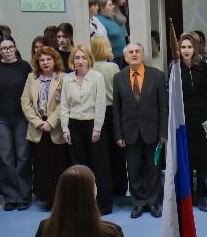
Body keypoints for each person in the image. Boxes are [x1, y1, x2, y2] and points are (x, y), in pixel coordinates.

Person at [114, 44, 168, 219]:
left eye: (138, 51)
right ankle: (138, 203)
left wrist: (163, 133)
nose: (134, 54)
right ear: (126, 57)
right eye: (131, 52)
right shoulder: (118, 77)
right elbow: (117, 109)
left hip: (153, 132)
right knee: (134, 169)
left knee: (153, 168)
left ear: (143, 55)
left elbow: (163, 107)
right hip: (129, 133)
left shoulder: (157, 76)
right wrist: (119, 134)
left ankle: (153, 203)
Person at [61, 44, 113, 215]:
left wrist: (97, 128)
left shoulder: (97, 77)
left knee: (100, 165)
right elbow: (64, 105)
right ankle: (81, 204)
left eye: (83, 57)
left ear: (89, 60)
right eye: (77, 57)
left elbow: (100, 104)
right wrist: (65, 128)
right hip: (74, 125)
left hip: (94, 125)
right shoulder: (67, 79)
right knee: (78, 167)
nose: (80, 61)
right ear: (72, 61)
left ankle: (103, 204)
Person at [0, 36, 33, 211]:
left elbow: (30, 92)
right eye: (4, 48)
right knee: (5, 157)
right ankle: (10, 196)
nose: (7, 51)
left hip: (21, 116)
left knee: (22, 155)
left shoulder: (24, 67)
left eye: (10, 47)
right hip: (0, 118)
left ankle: (24, 195)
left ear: (15, 48)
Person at [21, 46, 68, 206]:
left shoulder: (63, 77)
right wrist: (38, 122)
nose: (45, 62)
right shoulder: (31, 77)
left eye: (49, 59)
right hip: (38, 128)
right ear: (37, 62)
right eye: (42, 60)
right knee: (42, 166)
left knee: (58, 165)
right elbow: (25, 102)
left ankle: (60, 198)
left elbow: (65, 103)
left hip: (56, 128)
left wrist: (51, 122)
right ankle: (47, 198)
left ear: (55, 60)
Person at [176, 33, 207, 211]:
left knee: (202, 155)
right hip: (184, 117)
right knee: (187, 156)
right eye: (183, 47)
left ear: (195, 48)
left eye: (189, 47)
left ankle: (200, 192)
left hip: (203, 116)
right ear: (179, 49)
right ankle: (189, 193)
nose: (186, 50)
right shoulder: (175, 69)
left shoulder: (203, 67)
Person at [90, 36, 126, 203]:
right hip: (112, 110)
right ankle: (120, 186)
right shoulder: (112, 67)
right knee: (117, 152)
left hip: (94, 113)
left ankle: (105, 188)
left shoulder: (89, 69)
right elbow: (121, 90)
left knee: (101, 153)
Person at [96, 0, 127, 65]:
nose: (113, 6)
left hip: (122, 56)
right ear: (102, 8)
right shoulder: (98, 20)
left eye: (112, 4)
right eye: (110, 5)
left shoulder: (112, 17)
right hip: (112, 59)